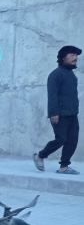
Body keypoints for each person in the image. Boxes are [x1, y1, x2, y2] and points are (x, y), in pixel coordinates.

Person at [34, 44, 80, 175]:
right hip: (60, 114)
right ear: (63, 58)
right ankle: (40, 156)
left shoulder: (71, 75)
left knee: (72, 141)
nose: (75, 57)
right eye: (72, 55)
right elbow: (52, 95)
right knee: (61, 139)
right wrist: (54, 113)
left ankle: (64, 167)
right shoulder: (56, 74)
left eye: (76, 55)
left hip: (72, 114)